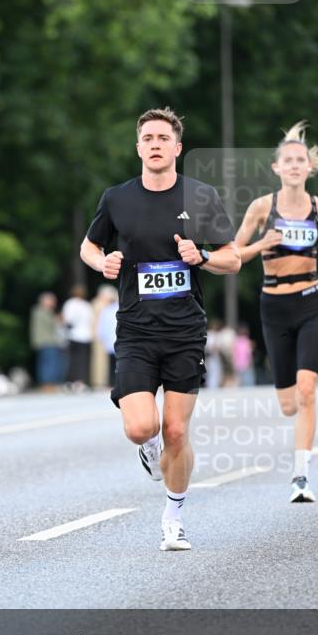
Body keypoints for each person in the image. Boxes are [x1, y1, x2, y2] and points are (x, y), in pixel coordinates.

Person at [80, 107, 241, 551]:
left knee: (176, 431)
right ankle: (148, 452)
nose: (154, 144)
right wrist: (103, 262)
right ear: (138, 147)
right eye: (147, 137)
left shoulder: (201, 197)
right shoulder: (117, 199)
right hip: (135, 330)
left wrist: (202, 257)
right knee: (140, 428)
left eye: (162, 138)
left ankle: (174, 515)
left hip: (185, 331)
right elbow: (89, 246)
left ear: (177, 148)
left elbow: (234, 257)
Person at [234, 121, 318, 503]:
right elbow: (233, 256)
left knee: (307, 390)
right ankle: (296, 438)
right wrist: (262, 244)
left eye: (302, 160)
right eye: (289, 160)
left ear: (308, 168)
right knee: (287, 403)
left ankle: (301, 475)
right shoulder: (261, 208)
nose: (296, 166)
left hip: (310, 303)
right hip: (273, 306)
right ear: (277, 168)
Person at [61, 285, 94, 390]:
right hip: (85, 336)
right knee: (82, 360)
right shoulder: (86, 305)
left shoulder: (70, 304)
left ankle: (69, 382)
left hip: (73, 335)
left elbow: (67, 319)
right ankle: (80, 382)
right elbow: (91, 320)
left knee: (71, 360)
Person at [29, 292, 63, 391]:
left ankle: (47, 383)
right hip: (47, 341)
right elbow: (52, 323)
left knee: (45, 363)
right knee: (49, 364)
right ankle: (47, 384)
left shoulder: (37, 311)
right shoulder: (43, 311)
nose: (54, 303)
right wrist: (58, 318)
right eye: (52, 301)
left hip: (43, 341)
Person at [95, 287, 119, 385]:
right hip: (118, 340)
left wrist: (101, 336)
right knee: (118, 364)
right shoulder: (119, 308)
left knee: (111, 364)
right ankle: (117, 383)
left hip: (111, 341)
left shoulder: (106, 310)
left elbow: (102, 326)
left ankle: (111, 383)